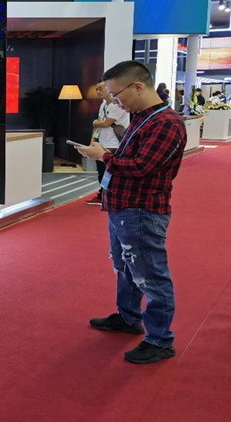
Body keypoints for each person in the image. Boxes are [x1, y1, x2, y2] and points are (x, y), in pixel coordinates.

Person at [76, 61, 187, 364]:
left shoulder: (166, 123)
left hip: (141, 209)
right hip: (122, 206)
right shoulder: (141, 117)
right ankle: (128, 317)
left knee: (150, 275)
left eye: (116, 93)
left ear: (138, 86)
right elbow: (132, 156)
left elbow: (141, 167)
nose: (115, 100)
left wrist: (104, 157)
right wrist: (106, 155)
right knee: (125, 267)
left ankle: (160, 340)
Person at [85, 82, 130, 206]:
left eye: (100, 89)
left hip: (114, 144)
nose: (98, 92)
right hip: (103, 142)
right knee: (102, 172)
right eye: (97, 89)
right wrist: (93, 141)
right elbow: (100, 125)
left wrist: (95, 122)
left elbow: (105, 123)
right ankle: (103, 195)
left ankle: (110, 196)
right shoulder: (103, 105)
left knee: (110, 172)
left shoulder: (117, 105)